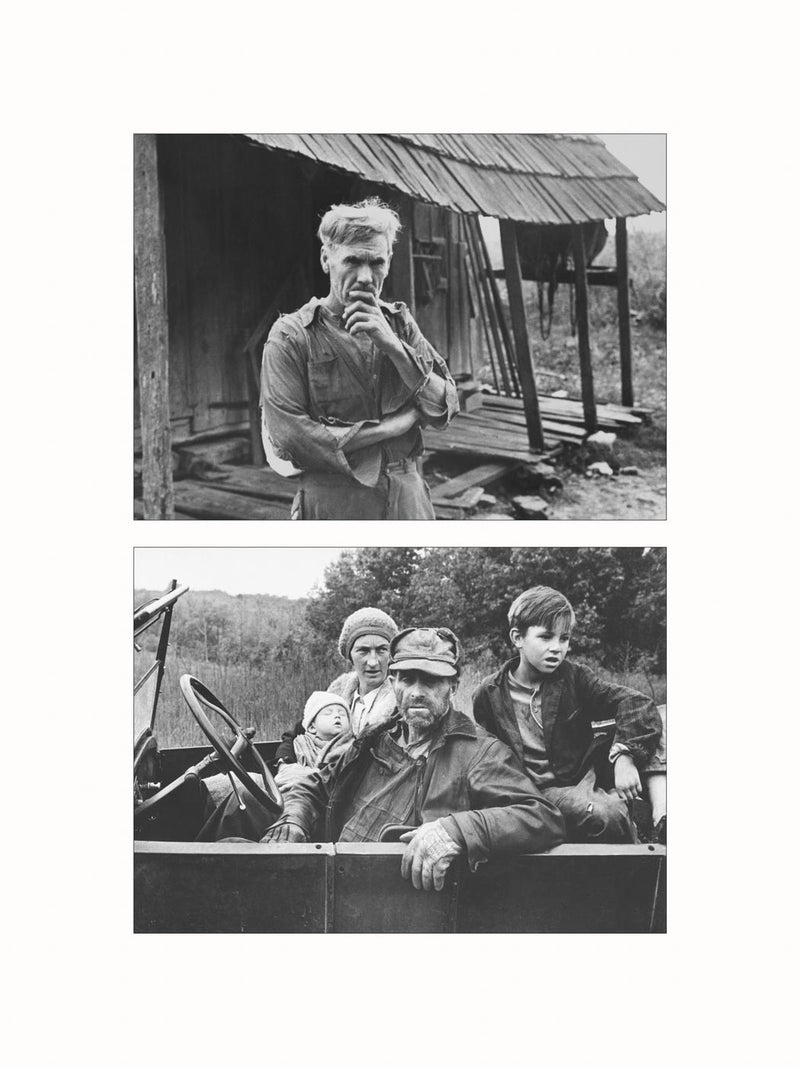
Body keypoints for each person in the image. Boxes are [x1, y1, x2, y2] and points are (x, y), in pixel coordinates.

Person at [262, 627, 566, 891]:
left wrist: (456, 830)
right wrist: (294, 819)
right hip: (333, 874)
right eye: (407, 679)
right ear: (394, 682)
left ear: (453, 687)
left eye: (431, 681)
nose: (417, 692)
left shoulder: (477, 751)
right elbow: (318, 785)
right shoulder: (374, 738)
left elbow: (541, 816)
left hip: (394, 897)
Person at [260, 197, 459, 520]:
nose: (366, 277)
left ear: (389, 261)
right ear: (327, 259)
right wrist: (393, 427)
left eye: (377, 262)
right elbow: (292, 439)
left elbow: (445, 407)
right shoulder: (291, 336)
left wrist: (393, 346)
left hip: (406, 497)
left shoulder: (399, 324)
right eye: (353, 261)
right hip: (335, 498)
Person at [471, 586, 664, 844]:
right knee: (606, 814)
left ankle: (661, 819)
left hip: (582, 775)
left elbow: (636, 702)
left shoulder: (573, 676)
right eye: (546, 637)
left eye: (564, 638)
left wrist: (624, 755)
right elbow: (488, 756)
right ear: (517, 638)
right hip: (536, 791)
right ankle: (633, 833)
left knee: (663, 717)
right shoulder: (489, 693)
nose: (557, 648)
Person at [273, 607, 399, 793]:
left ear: (392, 655)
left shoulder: (399, 704)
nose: (373, 662)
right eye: (363, 651)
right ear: (350, 656)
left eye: (382, 650)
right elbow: (296, 733)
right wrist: (286, 765)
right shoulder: (337, 692)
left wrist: (311, 777)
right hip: (311, 788)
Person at [291, 691, 351, 769]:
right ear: (312, 727)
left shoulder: (354, 748)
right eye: (328, 713)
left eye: (342, 714)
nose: (337, 716)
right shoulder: (301, 745)